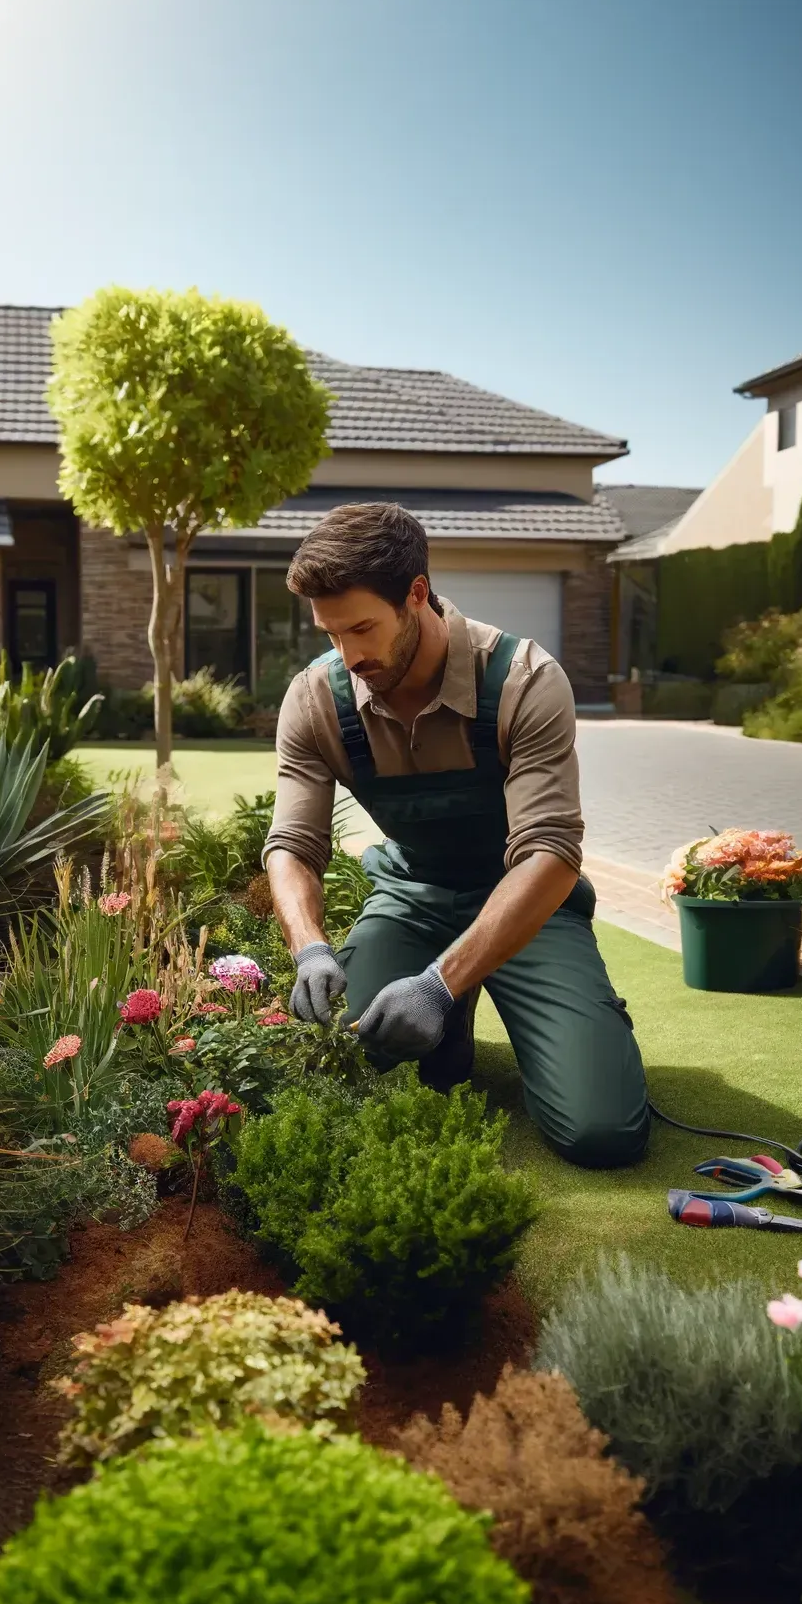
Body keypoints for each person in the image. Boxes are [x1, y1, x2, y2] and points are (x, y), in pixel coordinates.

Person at [263, 501, 649, 1169]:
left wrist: (437, 983)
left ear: (417, 594)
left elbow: (551, 855)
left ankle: (458, 997)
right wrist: (309, 949)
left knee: (602, 1134)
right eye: (331, 634)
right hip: (412, 899)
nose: (349, 655)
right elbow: (292, 843)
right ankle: (449, 1030)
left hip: (529, 909)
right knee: (343, 1084)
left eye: (362, 628)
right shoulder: (314, 700)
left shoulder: (525, 681)